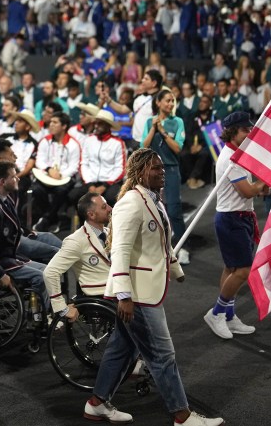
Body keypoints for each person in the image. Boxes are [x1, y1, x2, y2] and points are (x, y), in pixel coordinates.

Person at [103, 148, 223, 426]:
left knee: (120, 349)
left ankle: (96, 403)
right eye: (156, 168)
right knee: (162, 355)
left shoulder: (151, 199)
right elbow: (119, 251)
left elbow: (162, 241)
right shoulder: (131, 203)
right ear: (140, 171)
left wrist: (176, 269)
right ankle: (182, 416)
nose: (162, 172)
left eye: (163, 168)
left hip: (146, 288)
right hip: (137, 293)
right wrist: (124, 294)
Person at [203, 112, 267, 340]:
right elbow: (248, 190)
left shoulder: (237, 154)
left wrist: (260, 184)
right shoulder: (232, 158)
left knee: (231, 269)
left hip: (237, 217)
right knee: (243, 271)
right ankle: (217, 313)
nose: (250, 133)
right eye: (245, 130)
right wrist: (264, 181)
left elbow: (252, 190)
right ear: (233, 132)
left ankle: (229, 315)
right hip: (232, 219)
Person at [0, 160, 50, 313]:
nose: (18, 179)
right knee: (43, 276)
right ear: (2, 181)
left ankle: (44, 313)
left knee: (49, 271)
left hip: (9, 255)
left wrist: (26, 232)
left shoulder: (3, 199)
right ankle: (46, 315)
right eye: (14, 177)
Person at [43, 192, 112, 323]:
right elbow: (50, 272)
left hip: (118, 289)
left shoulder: (109, 233)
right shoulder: (76, 241)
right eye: (104, 207)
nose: (110, 208)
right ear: (91, 214)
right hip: (101, 294)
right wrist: (61, 308)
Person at [142, 89, 187, 263]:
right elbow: (144, 147)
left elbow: (177, 148)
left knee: (174, 209)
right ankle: (154, 247)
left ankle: (182, 247)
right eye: (167, 100)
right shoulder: (148, 122)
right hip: (151, 170)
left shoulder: (178, 122)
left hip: (171, 169)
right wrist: (154, 128)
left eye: (172, 101)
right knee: (151, 209)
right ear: (158, 103)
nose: (170, 104)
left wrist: (162, 131)